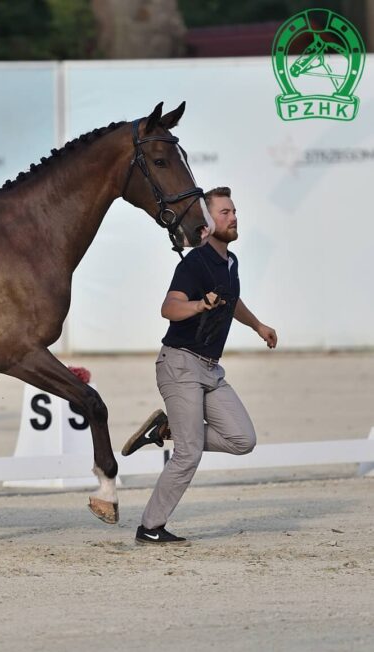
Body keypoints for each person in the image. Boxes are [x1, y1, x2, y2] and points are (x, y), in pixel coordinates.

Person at [120, 186, 277, 545]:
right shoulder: (194, 263)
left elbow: (232, 301)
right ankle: (150, 527)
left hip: (210, 369)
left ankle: (167, 430)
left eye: (234, 211)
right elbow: (169, 307)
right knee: (189, 454)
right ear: (208, 220)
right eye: (225, 212)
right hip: (180, 365)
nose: (233, 217)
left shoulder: (230, 262)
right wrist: (198, 306)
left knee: (242, 439)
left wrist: (258, 326)